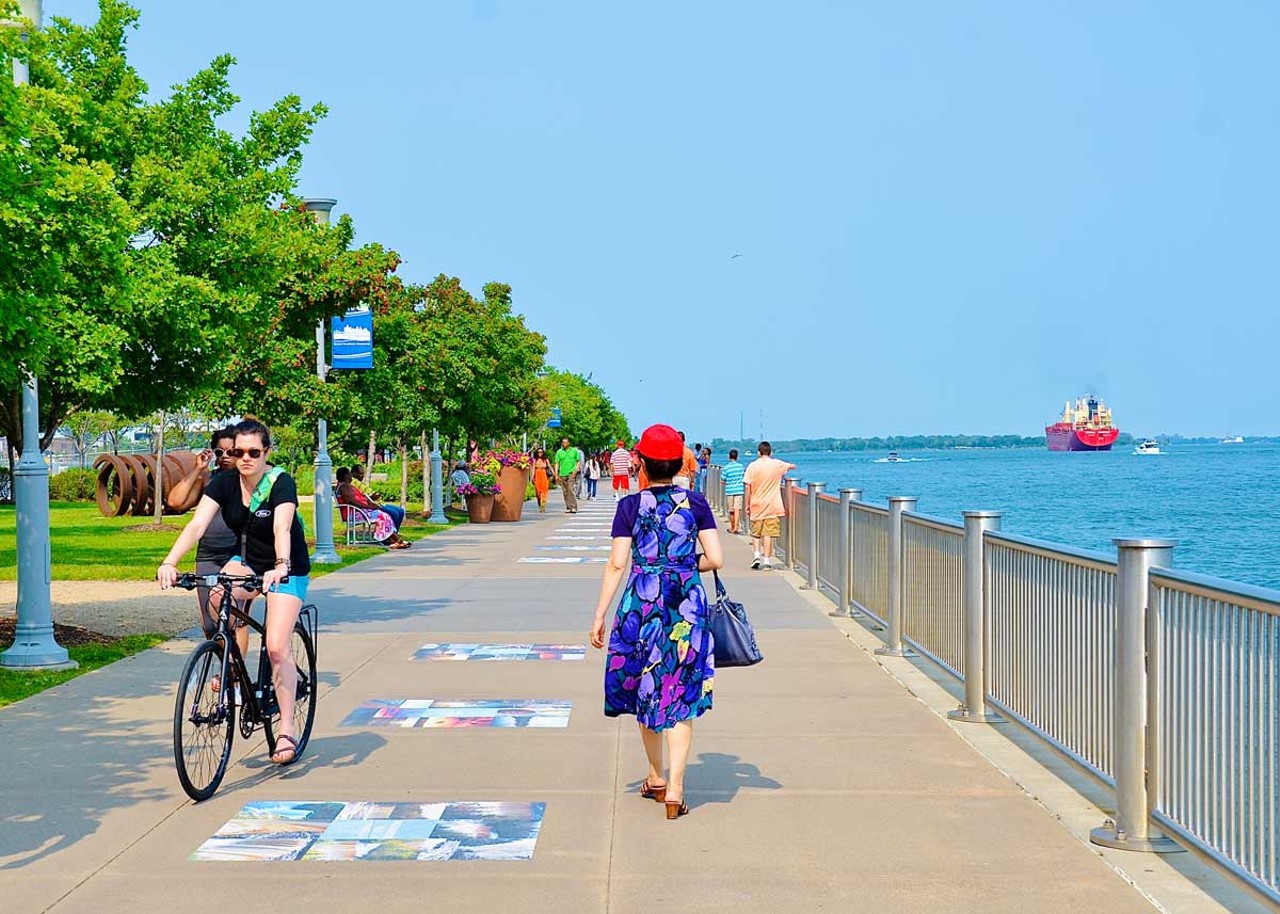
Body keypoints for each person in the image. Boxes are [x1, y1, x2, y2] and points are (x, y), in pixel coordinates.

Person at [157, 418, 311, 765]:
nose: (245, 458)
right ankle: (235, 674)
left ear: (266, 452)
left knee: (275, 646)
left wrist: (282, 564)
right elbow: (196, 524)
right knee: (217, 596)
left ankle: (286, 728)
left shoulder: (280, 483)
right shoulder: (225, 483)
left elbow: (281, 526)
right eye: (238, 452)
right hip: (248, 562)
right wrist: (169, 562)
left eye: (253, 452)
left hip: (287, 567)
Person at [590, 423, 723, 820]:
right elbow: (715, 559)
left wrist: (599, 614)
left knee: (647, 685)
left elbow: (617, 563)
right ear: (678, 462)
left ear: (642, 464)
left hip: (642, 605)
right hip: (686, 603)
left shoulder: (629, 507)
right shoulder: (696, 503)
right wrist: (682, 568)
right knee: (681, 690)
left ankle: (656, 775)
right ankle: (677, 790)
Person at [194, 428, 253, 662]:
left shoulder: (251, 480)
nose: (226, 456)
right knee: (211, 625)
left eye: (233, 451)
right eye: (220, 451)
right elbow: (177, 501)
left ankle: (234, 680)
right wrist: (198, 470)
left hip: (237, 554)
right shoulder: (210, 479)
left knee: (234, 619)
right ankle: (227, 670)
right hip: (208, 554)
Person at [743, 441, 796, 570]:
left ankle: (756, 555)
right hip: (773, 505)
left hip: (756, 504)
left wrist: (747, 503)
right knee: (768, 534)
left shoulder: (752, 466)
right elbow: (792, 466)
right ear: (770, 452)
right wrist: (784, 470)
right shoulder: (777, 464)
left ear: (758, 452)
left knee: (756, 533)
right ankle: (766, 560)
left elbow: (747, 486)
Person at [335, 468, 410, 548]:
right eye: (350, 474)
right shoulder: (344, 487)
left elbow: (361, 498)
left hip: (359, 511)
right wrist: (369, 506)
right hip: (354, 513)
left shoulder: (346, 485)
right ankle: (397, 540)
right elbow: (352, 501)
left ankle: (393, 540)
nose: (351, 476)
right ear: (346, 475)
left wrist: (370, 504)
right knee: (383, 516)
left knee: (384, 515)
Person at [350, 464, 405, 531]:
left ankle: (394, 534)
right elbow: (360, 499)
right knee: (395, 514)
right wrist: (372, 498)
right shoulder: (353, 483)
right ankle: (391, 536)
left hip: (378, 503)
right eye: (361, 474)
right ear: (354, 473)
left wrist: (374, 496)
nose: (363, 476)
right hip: (372, 506)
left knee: (401, 511)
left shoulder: (358, 482)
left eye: (363, 474)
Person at [721, 448, 746, 535]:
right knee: (737, 509)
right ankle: (736, 527)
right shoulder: (741, 466)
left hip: (730, 490)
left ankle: (732, 527)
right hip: (739, 490)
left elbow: (723, 480)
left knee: (731, 510)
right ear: (737, 457)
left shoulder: (726, 468)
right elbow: (744, 476)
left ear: (729, 457)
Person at [554, 437, 582, 513]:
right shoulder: (559, 452)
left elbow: (578, 461)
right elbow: (557, 463)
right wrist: (556, 474)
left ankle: (573, 507)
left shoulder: (574, 451)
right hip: (562, 473)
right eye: (563, 442)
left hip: (571, 473)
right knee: (565, 491)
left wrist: (575, 471)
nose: (564, 444)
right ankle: (568, 507)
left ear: (569, 443)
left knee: (570, 489)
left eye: (566, 442)